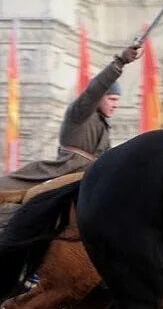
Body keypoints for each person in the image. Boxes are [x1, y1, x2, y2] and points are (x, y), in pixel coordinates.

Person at [0, 45, 141, 199]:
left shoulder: (103, 124)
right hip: (68, 169)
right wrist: (119, 63)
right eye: (112, 99)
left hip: (91, 172)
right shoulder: (81, 112)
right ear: (99, 98)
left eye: (117, 100)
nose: (115, 104)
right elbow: (95, 89)